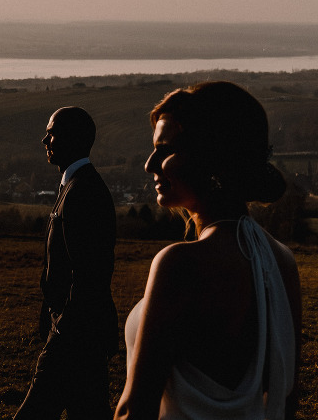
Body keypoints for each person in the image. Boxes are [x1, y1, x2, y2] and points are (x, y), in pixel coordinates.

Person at [114, 82, 302, 420]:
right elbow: (286, 398)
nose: (149, 164)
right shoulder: (282, 261)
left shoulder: (179, 264)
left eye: (165, 150)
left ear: (210, 156)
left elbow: (135, 409)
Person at [15, 106, 118, 420]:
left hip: (74, 339)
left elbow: (89, 275)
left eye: (52, 132)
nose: (45, 139)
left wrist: (61, 333)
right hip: (82, 335)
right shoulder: (75, 187)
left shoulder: (82, 192)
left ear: (74, 139)